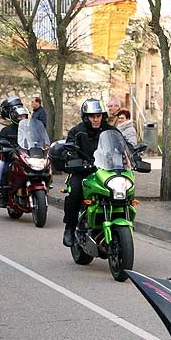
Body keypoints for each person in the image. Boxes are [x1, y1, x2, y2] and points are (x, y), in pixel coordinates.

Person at [61, 98, 116, 246]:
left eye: (98, 116)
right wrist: (74, 160)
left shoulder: (110, 130)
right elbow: (69, 149)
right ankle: (70, 227)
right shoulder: (77, 132)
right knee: (75, 191)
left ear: (103, 116)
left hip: (106, 171)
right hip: (83, 171)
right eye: (92, 116)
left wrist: (133, 156)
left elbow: (123, 145)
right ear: (86, 117)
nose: (96, 119)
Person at [0, 97, 22, 203]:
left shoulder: (24, 124)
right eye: (13, 109)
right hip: (5, 154)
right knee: (1, 164)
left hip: (21, 154)